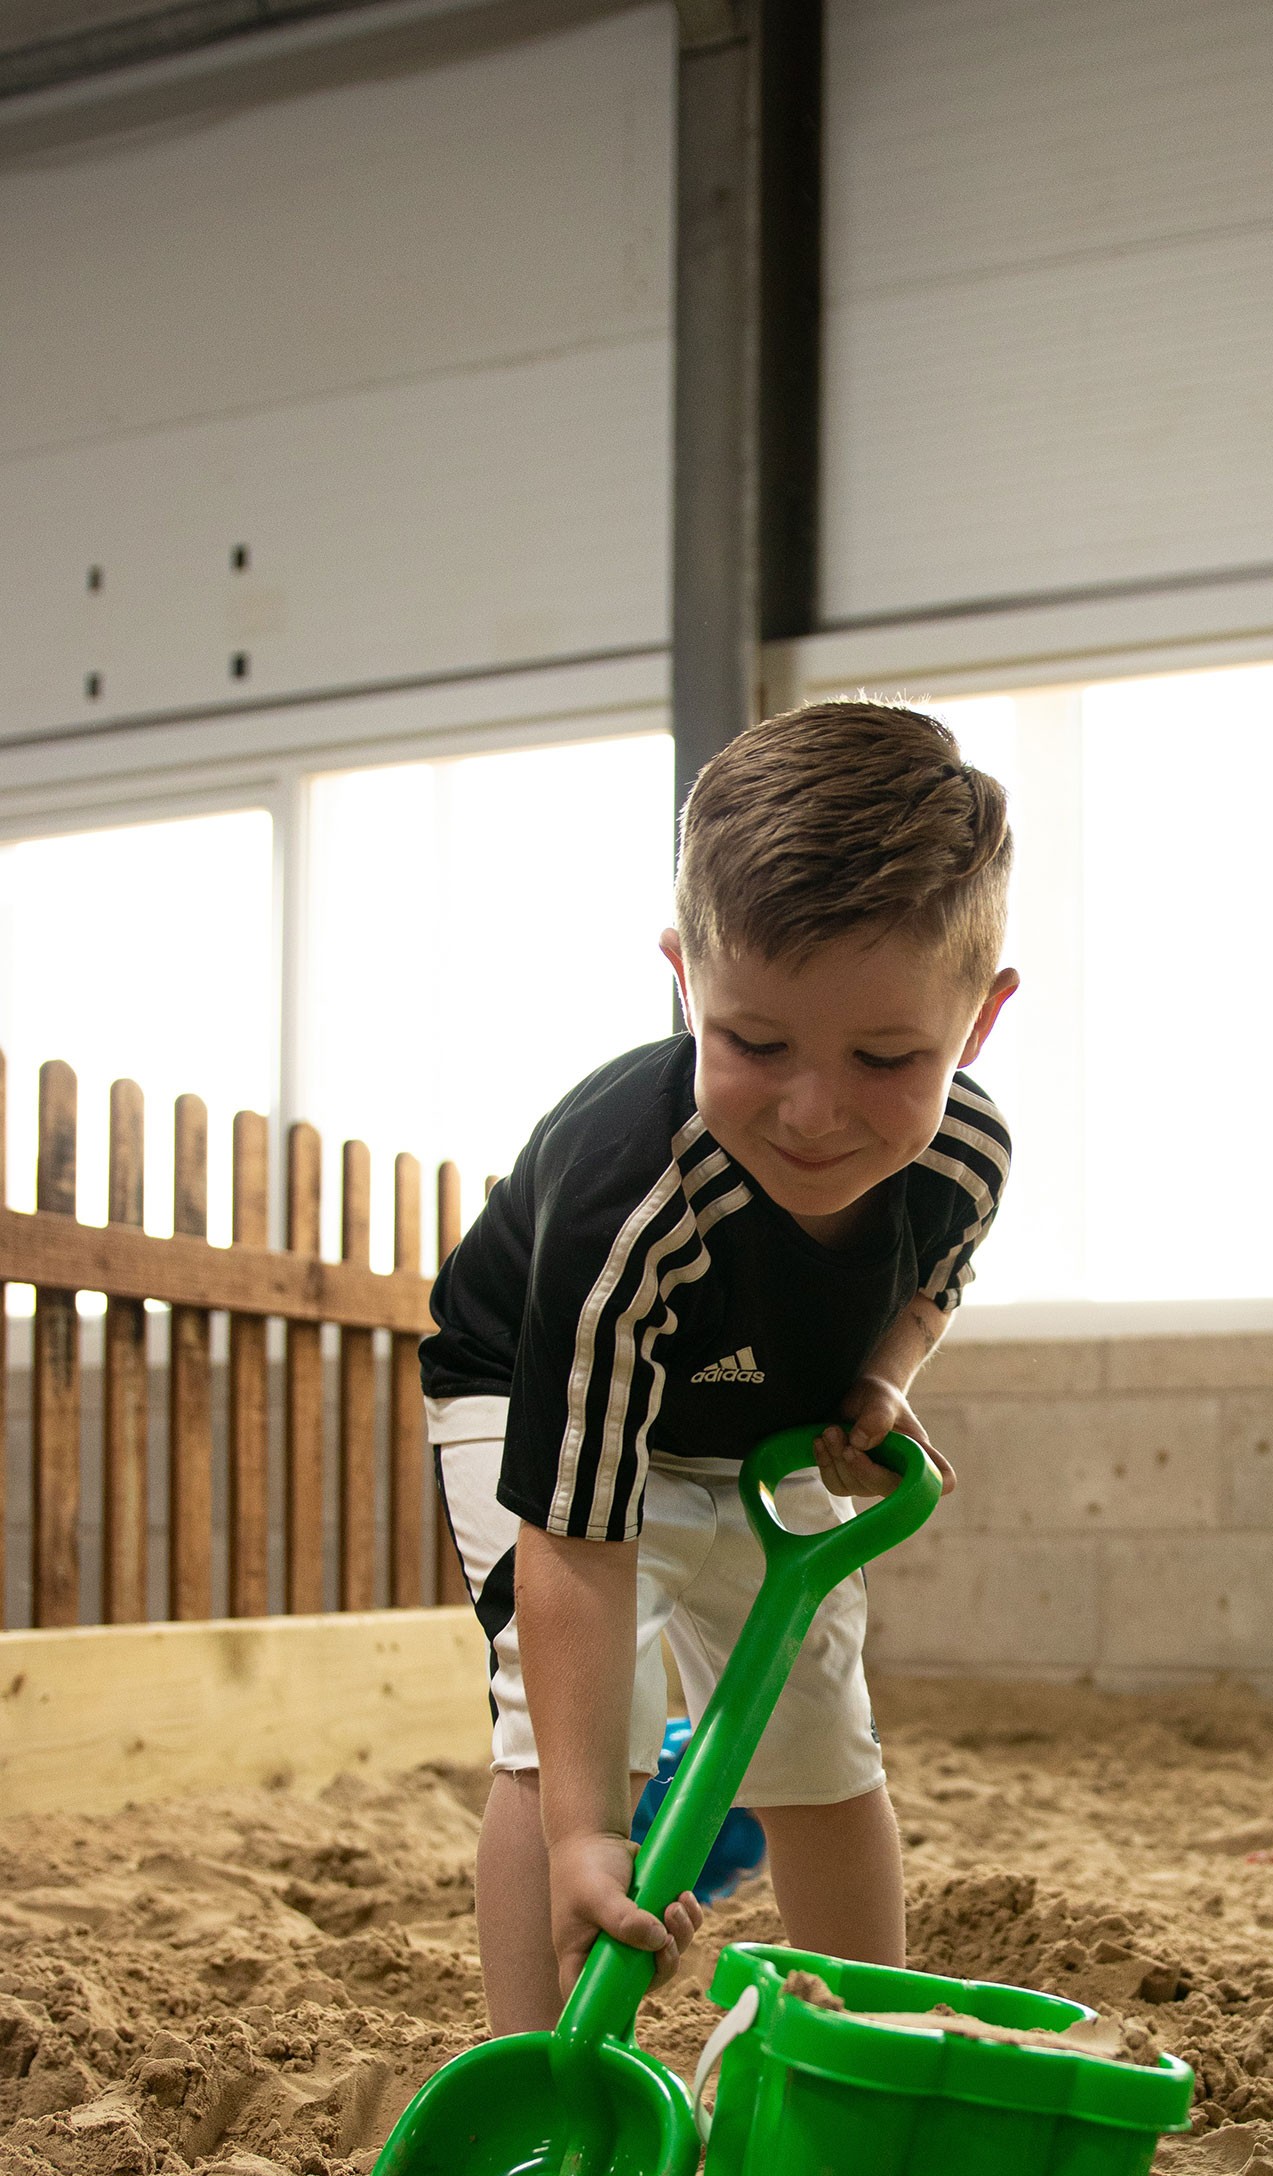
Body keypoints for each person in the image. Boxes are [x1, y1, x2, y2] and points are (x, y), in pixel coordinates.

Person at [420, 699, 1017, 2033]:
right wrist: (591, 1835)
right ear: (686, 976)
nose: (815, 1112)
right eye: (754, 1043)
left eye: (885, 1057)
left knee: (819, 1728)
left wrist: (881, 1381)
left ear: (977, 1021)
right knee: (569, 1722)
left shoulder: (966, 1156)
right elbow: (574, 1540)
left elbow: (927, 1288)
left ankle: (867, 2036)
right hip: (537, 1395)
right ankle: (533, 2087)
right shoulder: (636, 1202)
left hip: (756, 1422)